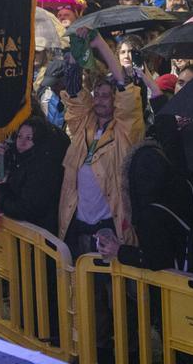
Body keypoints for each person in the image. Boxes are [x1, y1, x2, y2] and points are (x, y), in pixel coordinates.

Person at [57, 32, 145, 253]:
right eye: (97, 95)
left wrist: (101, 45)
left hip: (111, 228)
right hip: (76, 225)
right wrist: (76, 57)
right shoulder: (84, 125)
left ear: (115, 99)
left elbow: (125, 89)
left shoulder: (125, 132)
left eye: (106, 96)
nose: (99, 101)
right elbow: (75, 95)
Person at [97, 140, 193, 271]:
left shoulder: (150, 213)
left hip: (174, 284)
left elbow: (157, 260)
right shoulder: (183, 187)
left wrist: (119, 251)